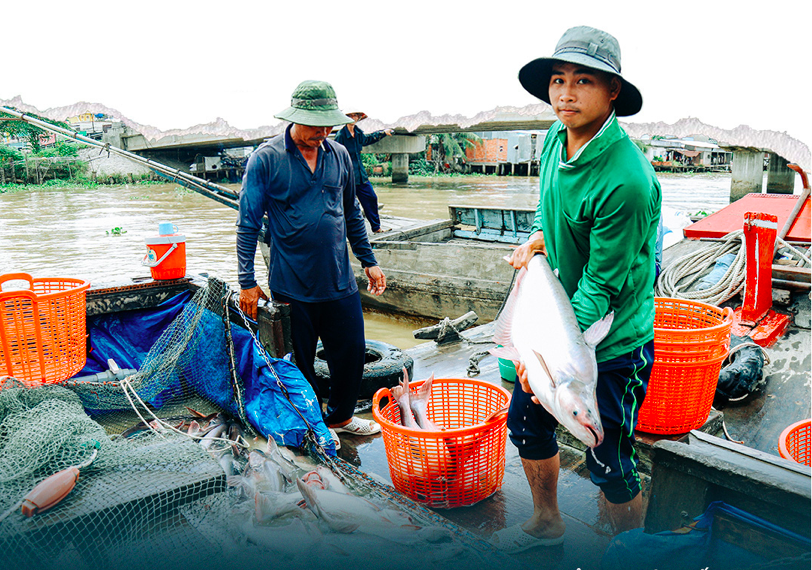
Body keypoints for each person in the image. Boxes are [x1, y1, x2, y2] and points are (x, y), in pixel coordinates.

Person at [490, 26, 662, 553]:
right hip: (558, 324)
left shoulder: (626, 181)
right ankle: (548, 521)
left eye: (583, 81)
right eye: (558, 79)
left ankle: (630, 550)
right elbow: (553, 210)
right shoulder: (552, 138)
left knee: (608, 458)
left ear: (613, 91)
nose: (565, 93)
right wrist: (542, 237)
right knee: (526, 425)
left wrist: (543, 353)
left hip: (611, 339)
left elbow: (599, 289)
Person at [236, 80, 387, 449]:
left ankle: (342, 418)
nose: (322, 133)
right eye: (315, 126)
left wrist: (368, 260)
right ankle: (311, 424)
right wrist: (246, 281)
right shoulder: (266, 158)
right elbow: (248, 222)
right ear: (295, 119)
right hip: (292, 284)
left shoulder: (339, 154)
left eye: (328, 126)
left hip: (339, 279)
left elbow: (351, 211)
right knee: (299, 362)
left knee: (350, 353)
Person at [334, 110, 393, 233]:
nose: (353, 118)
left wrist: (382, 133)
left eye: (355, 115)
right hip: (348, 177)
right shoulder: (341, 136)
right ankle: (342, 231)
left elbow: (368, 139)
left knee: (371, 198)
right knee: (347, 205)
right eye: (350, 115)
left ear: (358, 118)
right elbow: (336, 156)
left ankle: (376, 228)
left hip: (361, 176)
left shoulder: (358, 133)